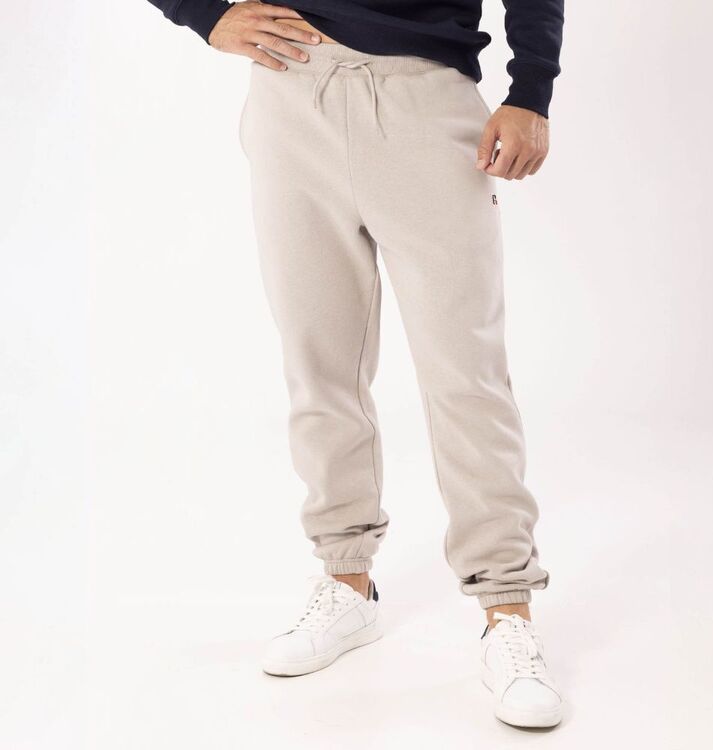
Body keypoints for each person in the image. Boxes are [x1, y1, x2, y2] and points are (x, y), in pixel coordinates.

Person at [147, 0, 564, 729]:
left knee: (465, 374)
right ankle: (347, 582)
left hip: (424, 96)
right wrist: (202, 12)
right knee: (320, 364)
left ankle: (507, 611)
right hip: (290, 85)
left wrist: (531, 88)